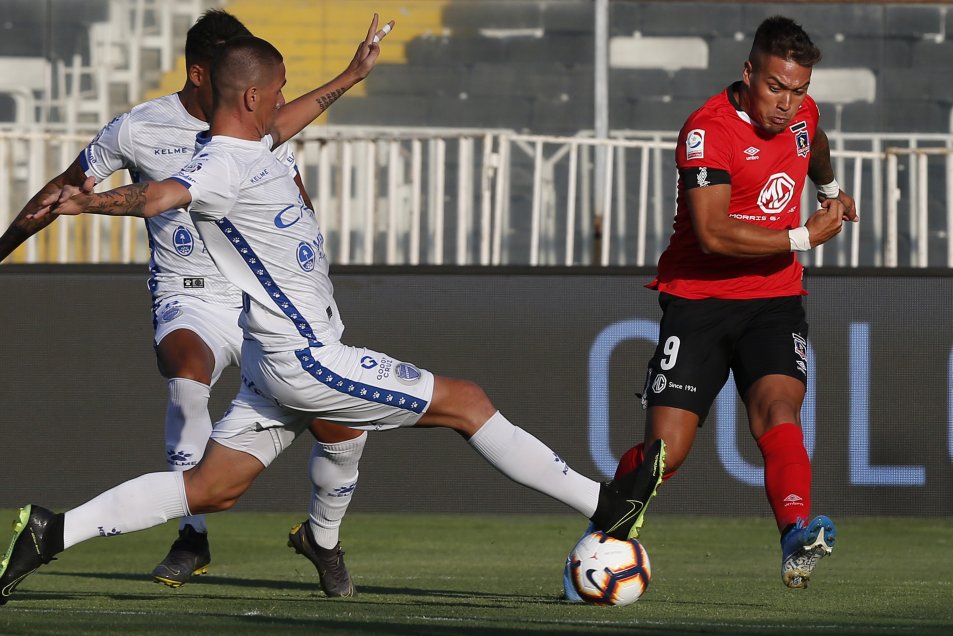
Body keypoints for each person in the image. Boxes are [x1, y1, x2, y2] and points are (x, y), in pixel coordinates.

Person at [0, 32, 666, 606]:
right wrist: (90, 205)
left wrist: (351, 76)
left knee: (211, 487)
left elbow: (284, 123)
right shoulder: (225, 165)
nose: (287, 99)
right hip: (306, 358)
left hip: (270, 361)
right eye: (279, 88)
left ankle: (49, 533)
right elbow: (161, 196)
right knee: (467, 403)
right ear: (252, 98)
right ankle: (605, 505)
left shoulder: (251, 144)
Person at [0, 9, 381, 596]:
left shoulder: (259, 130)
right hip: (191, 294)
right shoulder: (139, 129)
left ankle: (323, 539)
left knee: (340, 426)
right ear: (203, 72)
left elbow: (295, 199)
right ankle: (191, 534)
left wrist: (353, 73)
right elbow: (64, 189)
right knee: (188, 369)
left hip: (263, 301)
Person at [562, 15, 857, 600]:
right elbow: (714, 233)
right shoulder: (707, 130)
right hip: (698, 301)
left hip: (774, 299)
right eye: (776, 86)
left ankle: (796, 533)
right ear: (749, 73)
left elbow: (815, 143)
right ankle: (603, 531)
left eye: (798, 90)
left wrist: (828, 191)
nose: (786, 102)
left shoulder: (803, 114)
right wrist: (804, 235)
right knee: (666, 455)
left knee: (778, 413)